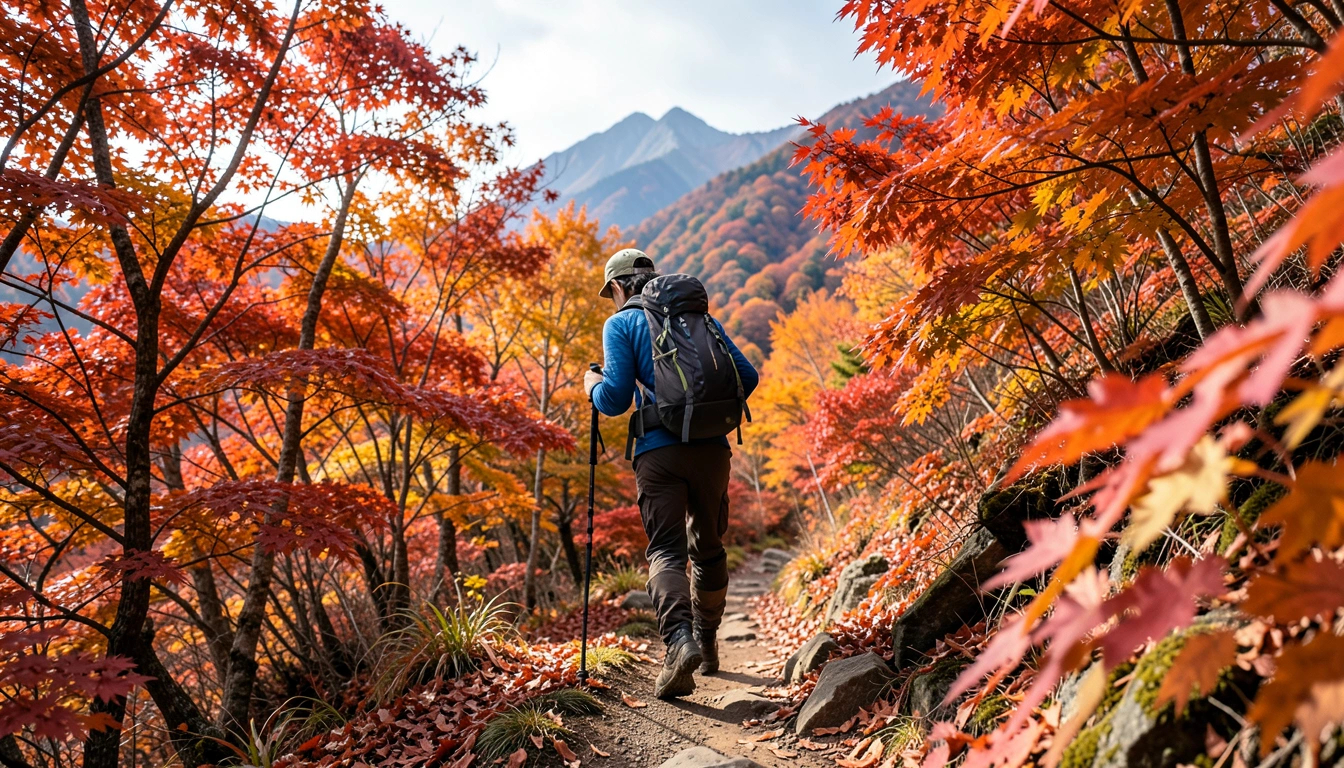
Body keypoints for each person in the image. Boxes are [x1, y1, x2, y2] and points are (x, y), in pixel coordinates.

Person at [584, 248, 759, 699]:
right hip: (713, 451)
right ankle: (707, 639)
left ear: (620, 286)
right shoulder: (698, 319)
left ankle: (678, 644)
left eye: (611, 292)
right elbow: (748, 376)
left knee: (665, 549)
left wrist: (593, 386)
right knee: (709, 546)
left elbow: (615, 400)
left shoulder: (620, 324)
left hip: (658, 453)